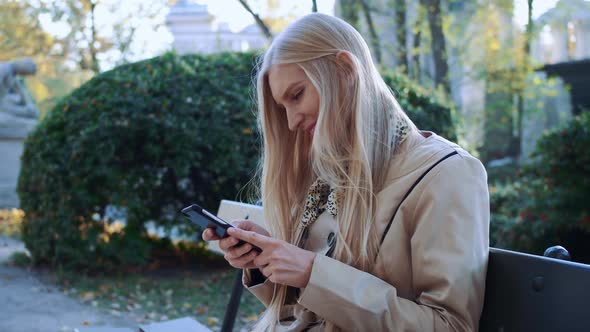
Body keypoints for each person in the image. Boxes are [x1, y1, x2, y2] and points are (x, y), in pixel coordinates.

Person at [203, 13, 489, 332]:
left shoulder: (447, 173)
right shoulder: (327, 171)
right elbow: (304, 312)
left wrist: (314, 273)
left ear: (345, 70)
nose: (291, 122)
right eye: (283, 107)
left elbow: (451, 325)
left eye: (297, 95)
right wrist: (266, 263)